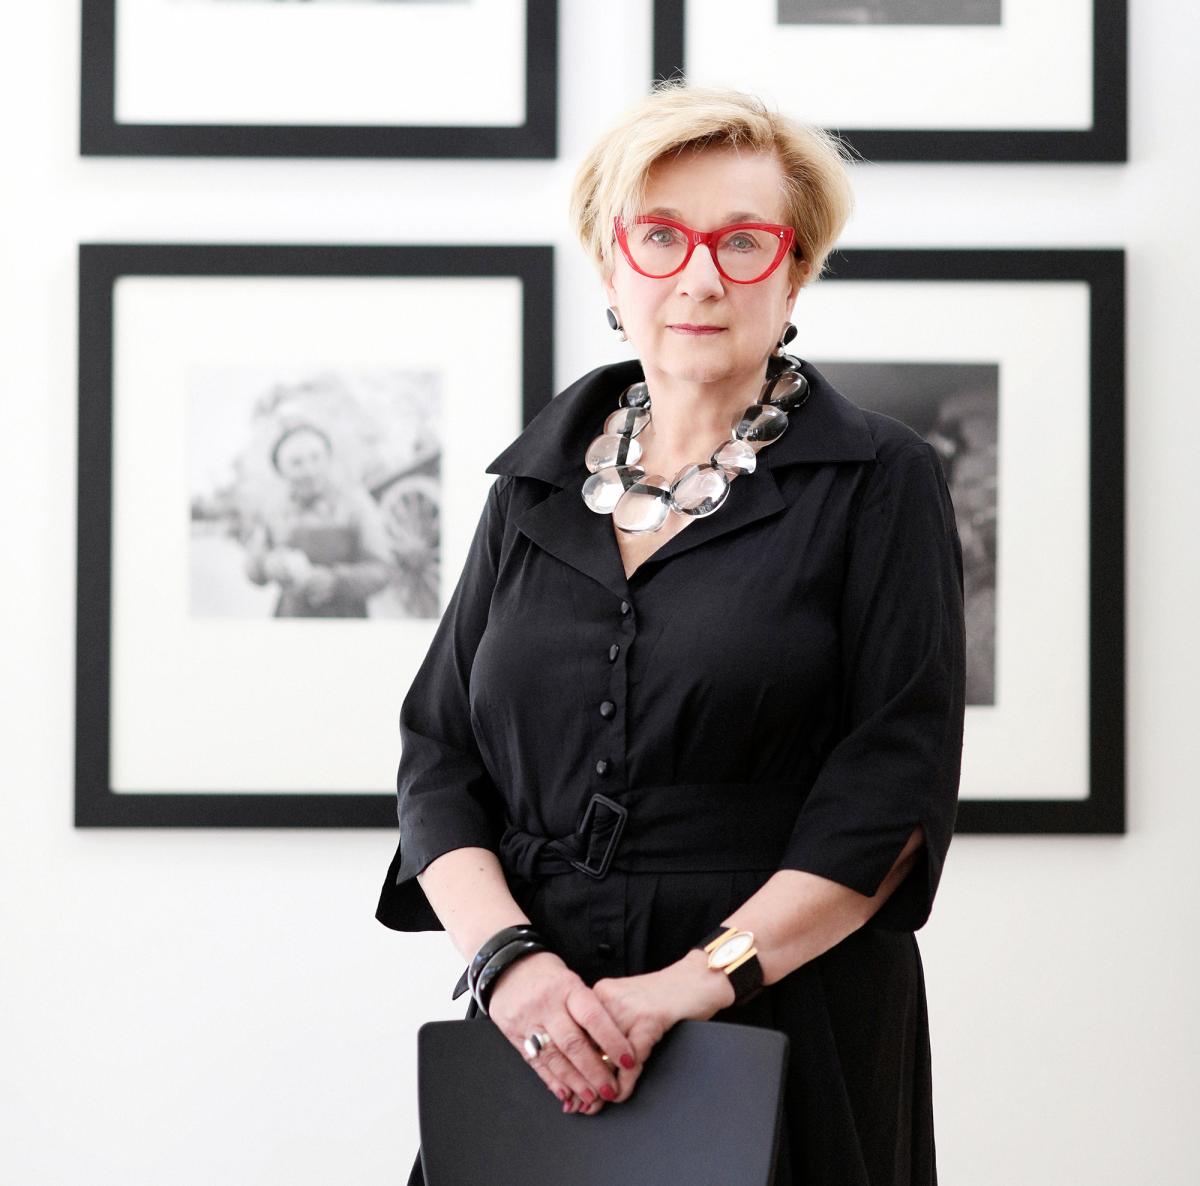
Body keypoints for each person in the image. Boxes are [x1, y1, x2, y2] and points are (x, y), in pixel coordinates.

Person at [377, 83, 965, 1186]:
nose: (699, 276)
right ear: (611, 266)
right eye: (661, 237)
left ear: (795, 271)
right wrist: (510, 965)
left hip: (785, 1018)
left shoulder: (880, 480)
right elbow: (437, 753)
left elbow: (891, 795)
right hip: (544, 1028)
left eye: (744, 242)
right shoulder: (537, 483)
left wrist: (687, 985)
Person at [243, 422, 396, 618]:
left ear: (328, 459)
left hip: (345, 622)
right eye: (296, 463)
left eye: (316, 458)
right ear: (281, 470)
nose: (309, 471)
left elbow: (384, 569)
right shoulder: (275, 508)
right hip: (291, 619)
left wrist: (335, 581)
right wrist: (268, 565)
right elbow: (252, 568)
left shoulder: (355, 503)